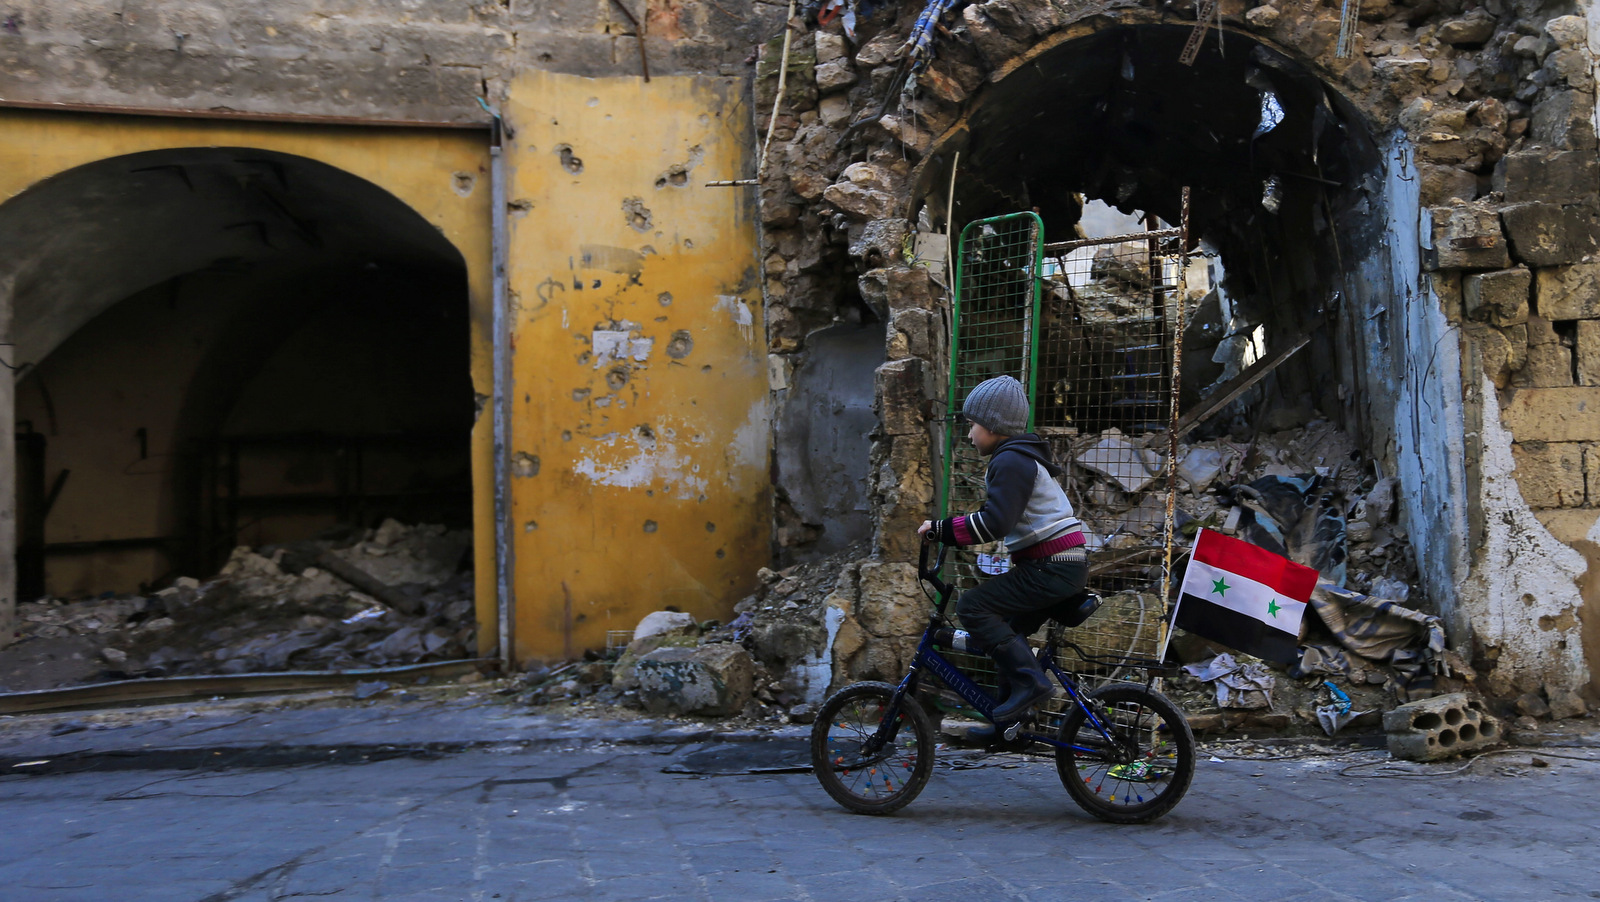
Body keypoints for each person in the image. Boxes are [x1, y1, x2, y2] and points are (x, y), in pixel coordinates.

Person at [918, 374, 1088, 727]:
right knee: (1007, 634)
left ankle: (1032, 684)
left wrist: (940, 530)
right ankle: (1009, 724)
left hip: (1051, 567)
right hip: (1058, 565)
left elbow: (995, 523)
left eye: (973, 424)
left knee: (971, 606)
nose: (969, 433)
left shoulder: (1010, 462)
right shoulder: (1020, 458)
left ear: (994, 425)